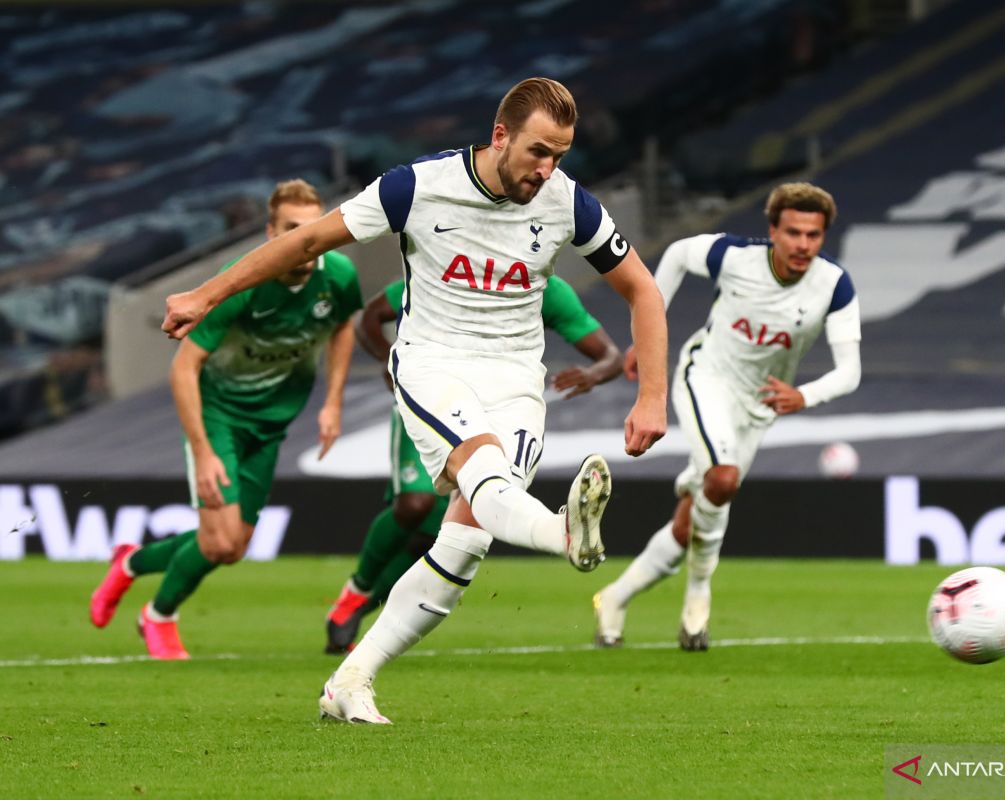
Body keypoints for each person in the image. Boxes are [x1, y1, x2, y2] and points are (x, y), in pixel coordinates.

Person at [160, 77, 668, 723]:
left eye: (560, 155)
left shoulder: (569, 203)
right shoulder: (417, 187)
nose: (547, 169)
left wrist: (652, 395)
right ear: (500, 135)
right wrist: (207, 294)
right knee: (482, 477)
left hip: (515, 380)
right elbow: (308, 241)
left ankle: (350, 682)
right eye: (539, 151)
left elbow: (643, 291)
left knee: (467, 543)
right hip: (435, 365)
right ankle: (562, 532)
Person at [90, 179, 363, 659]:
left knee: (232, 547)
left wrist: (333, 402)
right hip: (220, 416)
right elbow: (184, 368)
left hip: (272, 424)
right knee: (218, 542)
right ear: (269, 232)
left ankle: (131, 562)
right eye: (291, 230)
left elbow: (343, 326)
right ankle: (158, 617)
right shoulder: (242, 284)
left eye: (312, 228)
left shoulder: (337, 274)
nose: (303, 241)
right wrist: (204, 450)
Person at [594, 182, 862, 651]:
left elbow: (850, 372)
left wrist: (804, 395)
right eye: (793, 232)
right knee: (722, 479)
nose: (802, 245)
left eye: (813, 236)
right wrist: (647, 333)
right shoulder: (735, 258)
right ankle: (697, 599)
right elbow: (677, 254)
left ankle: (615, 597)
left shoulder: (834, 285)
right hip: (707, 378)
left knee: (690, 521)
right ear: (772, 231)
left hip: (759, 408)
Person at [324, 274, 622, 654]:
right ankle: (356, 591)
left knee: (436, 534)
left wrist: (593, 374)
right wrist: (389, 362)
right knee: (415, 503)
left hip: (496, 413)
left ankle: (364, 617)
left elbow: (608, 355)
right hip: (435, 400)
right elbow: (372, 316)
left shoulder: (547, 288)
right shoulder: (456, 269)